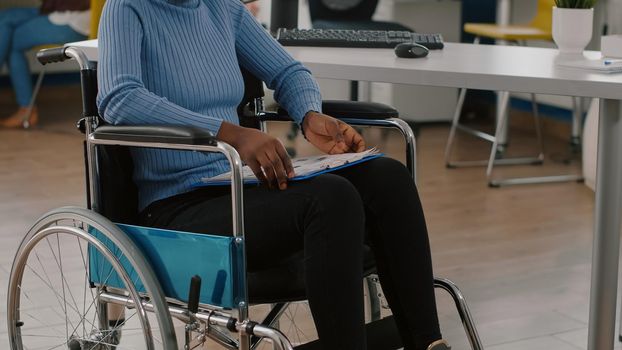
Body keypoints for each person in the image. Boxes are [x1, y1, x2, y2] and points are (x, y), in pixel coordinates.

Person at [97, 0, 450, 349]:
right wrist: (231, 133)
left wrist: (309, 114)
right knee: (330, 198)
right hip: (177, 205)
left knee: (387, 177)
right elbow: (120, 99)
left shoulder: (222, 8)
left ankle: (427, 342)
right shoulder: (127, 8)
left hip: (237, 186)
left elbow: (288, 72)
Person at [0, 0, 90, 128]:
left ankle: (26, 110)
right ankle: (26, 109)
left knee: (12, 39)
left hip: (71, 18)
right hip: (65, 12)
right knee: (4, 18)